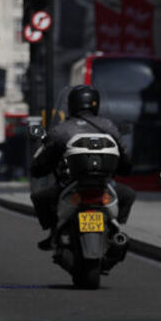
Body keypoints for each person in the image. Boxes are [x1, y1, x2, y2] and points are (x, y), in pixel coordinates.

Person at [30, 84, 137, 251]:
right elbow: (124, 155)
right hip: (104, 185)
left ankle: (52, 234)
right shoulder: (108, 126)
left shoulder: (62, 129)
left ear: (72, 104)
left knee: (39, 197)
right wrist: (124, 168)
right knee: (128, 194)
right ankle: (116, 229)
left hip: (72, 184)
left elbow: (46, 157)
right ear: (96, 103)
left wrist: (38, 169)